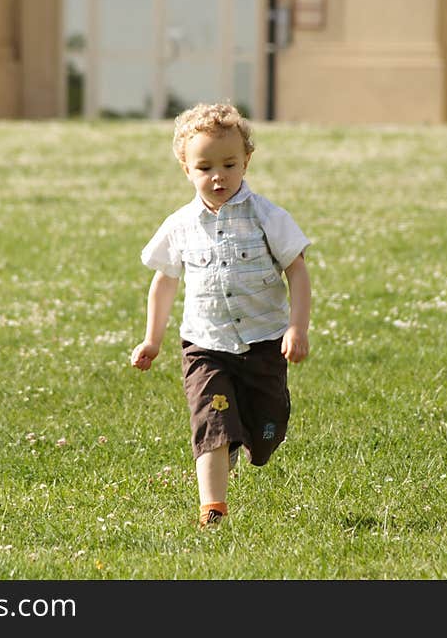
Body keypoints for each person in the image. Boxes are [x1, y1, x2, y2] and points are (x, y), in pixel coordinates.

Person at [130, 102, 312, 527]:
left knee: (265, 434)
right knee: (211, 420)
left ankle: (243, 441)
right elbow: (165, 281)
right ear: (186, 169)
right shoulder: (180, 224)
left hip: (264, 339)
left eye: (229, 164)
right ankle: (213, 509)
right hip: (204, 344)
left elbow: (297, 271)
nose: (218, 176)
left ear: (246, 161)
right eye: (205, 166)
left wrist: (296, 327)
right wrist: (152, 340)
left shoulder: (267, 216)